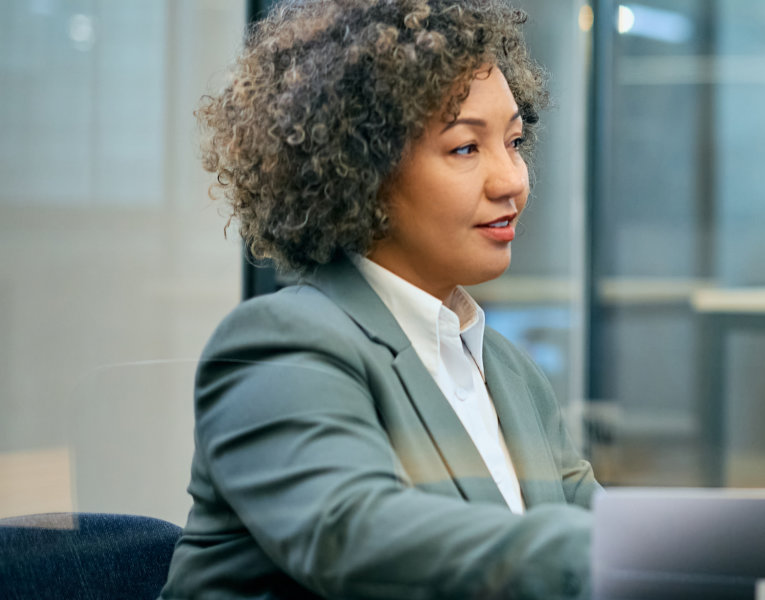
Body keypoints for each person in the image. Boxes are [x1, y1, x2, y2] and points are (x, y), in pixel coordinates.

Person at [162, 1, 598, 597]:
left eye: (515, 142)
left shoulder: (509, 370)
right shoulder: (281, 345)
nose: (513, 181)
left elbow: (599, 523)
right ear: (360, 169)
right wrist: (605, 555)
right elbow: (353, 533)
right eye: (466, 148)